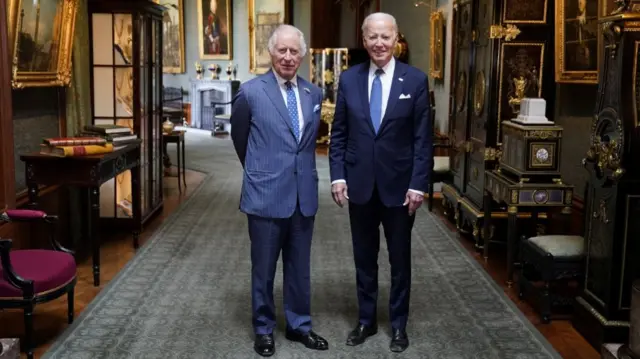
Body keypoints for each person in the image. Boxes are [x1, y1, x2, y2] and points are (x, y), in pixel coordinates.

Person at [328, 12, 432, 353]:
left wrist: (419, 183)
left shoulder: (415, 81)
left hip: (400, 189)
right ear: (364, 39)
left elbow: (422, 139)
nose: (379, 43)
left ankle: (399, 324)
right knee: (364, 258)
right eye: (372, 36)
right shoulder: (349, 79)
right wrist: (338, 176)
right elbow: (339, 133)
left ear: (396, 37)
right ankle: (366, 320)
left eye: (385, 36)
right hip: (359, 185)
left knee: (399, 261)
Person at [230, 24, 329, 357]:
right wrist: (262, 171)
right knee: (264, 267)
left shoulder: (314, 94)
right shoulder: (250, 92)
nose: (288, 57)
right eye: (282, 50)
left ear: (302, 55)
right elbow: (239, 138)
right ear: (270, 52)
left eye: (294, 51)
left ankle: (300, 325)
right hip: (265, 194)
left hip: (304, 195)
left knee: (300, 267)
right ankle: (264, 329)